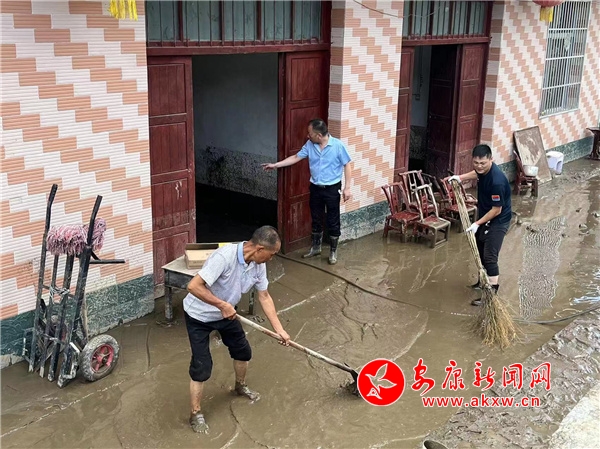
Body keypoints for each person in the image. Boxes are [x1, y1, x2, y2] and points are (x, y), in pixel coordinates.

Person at [183, 226, 291, 434]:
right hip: (199, 316)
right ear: (259, 249)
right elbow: (193, 286)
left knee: (243, 351)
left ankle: (240, 386)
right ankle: (195, 413)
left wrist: (280, 330)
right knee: (201, 366)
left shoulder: (258, 264)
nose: (272, 259)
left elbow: (264, 296)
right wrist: (222, 305)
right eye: (272, 254)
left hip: (228, 315)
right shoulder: (224, 257)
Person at [262, 119, 352, 265]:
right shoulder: (310, 145)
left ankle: (333, 251)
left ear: (319, 135)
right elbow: (296, 157)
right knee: (316, 218)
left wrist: (347, 188)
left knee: (333, 220)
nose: (307, 136)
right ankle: (316, 248)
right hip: (315, 188)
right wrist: (276, 165)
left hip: (332, 189)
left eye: (310, 133)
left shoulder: (338, 146)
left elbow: (347, 165)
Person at [447, 144, 512, 306]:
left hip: (498, 220)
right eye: (476, 162)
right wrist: (460, 177)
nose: (479, 166)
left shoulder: (497, 182)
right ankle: (482, 281)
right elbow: (477, 173)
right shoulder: (482, 171)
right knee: (480, 250)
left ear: (491, 160)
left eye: (483, 163)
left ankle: (490, 296)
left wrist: (476, 223)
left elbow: (497, 210)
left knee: (490, 257)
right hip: (484, 215)